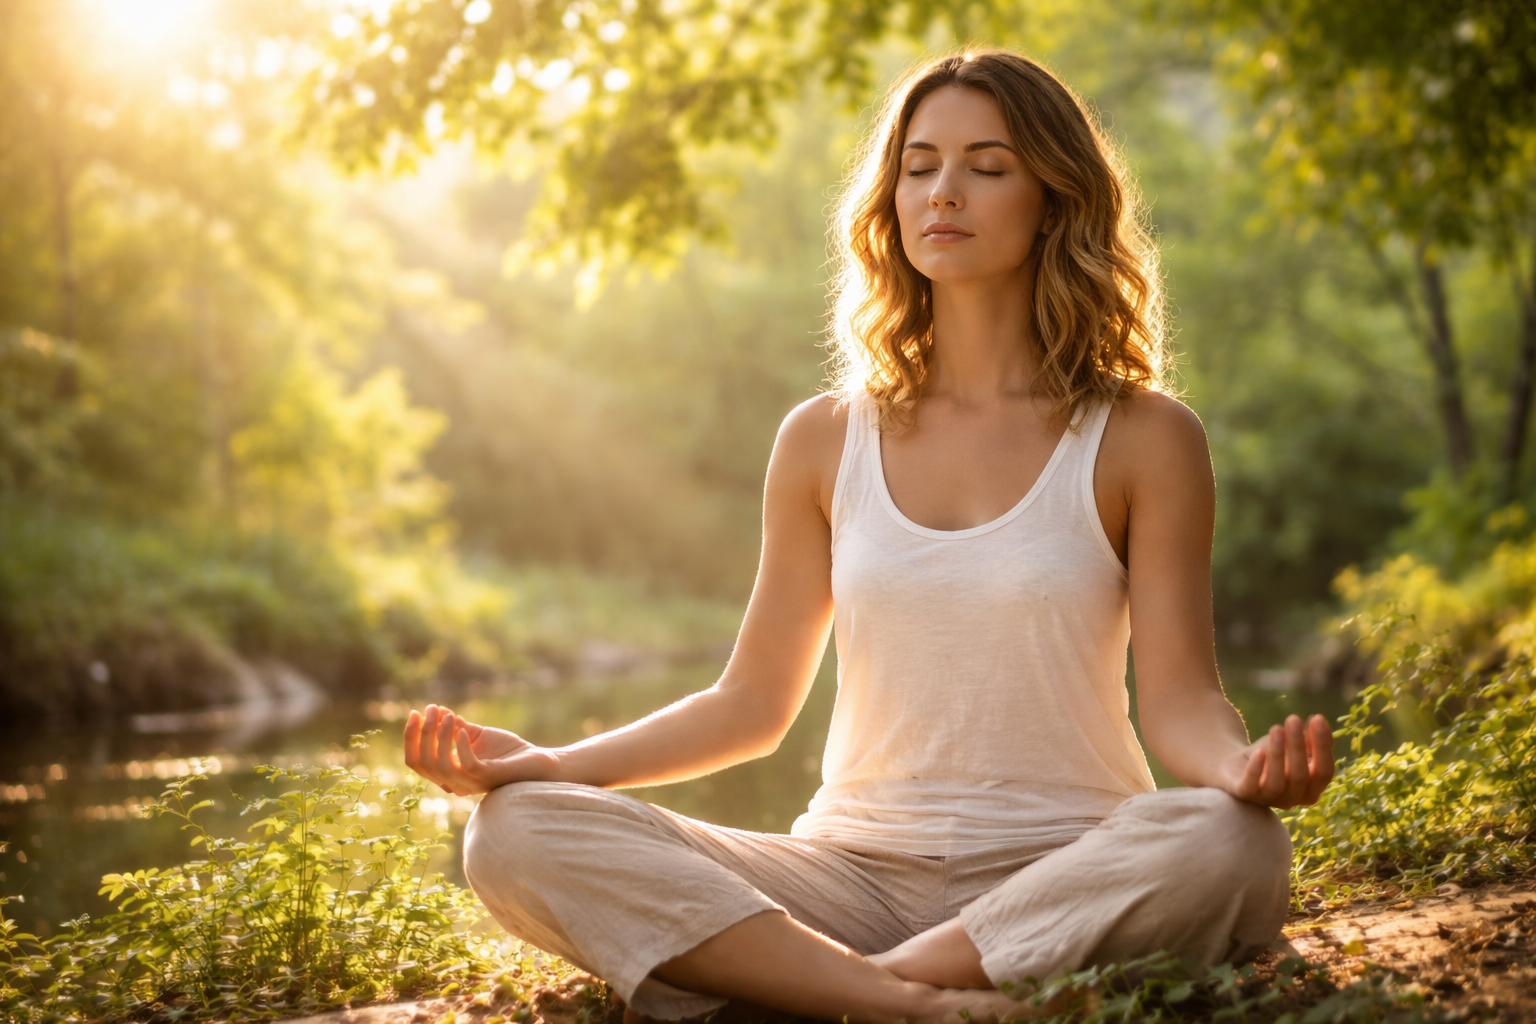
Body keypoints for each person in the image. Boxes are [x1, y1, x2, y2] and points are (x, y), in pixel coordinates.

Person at [402, 49, 1335, 1024]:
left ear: (1054, 200)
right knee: (511, 833)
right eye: (920, 164)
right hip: (845, 874)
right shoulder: (822, 438)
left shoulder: (1144, 436)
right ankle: (913, 1000)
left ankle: (828, 980)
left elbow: (1181, 698)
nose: (944, 191)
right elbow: (750, 703)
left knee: (1237, 844)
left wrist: (1238, 772)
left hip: (1065, 870)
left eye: (987, 165)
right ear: (890, 197)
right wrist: (549, 766)